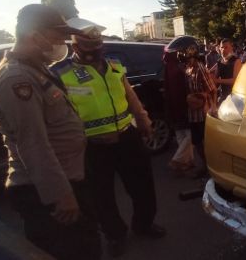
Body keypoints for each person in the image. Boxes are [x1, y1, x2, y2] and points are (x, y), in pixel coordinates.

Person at [0, 4, 101, 260]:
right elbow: (33, 144)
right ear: (35, 36)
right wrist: (60, 195)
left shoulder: (35, 69)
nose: (63, 42)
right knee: (72, 251)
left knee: (87, 246)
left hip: (67, 177)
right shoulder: (17, 79)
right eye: (57, 35)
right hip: (46, 193)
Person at [51, 19, 164, 257]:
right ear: (75, 45)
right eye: (88, 48)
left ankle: (143, 224)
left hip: (126, 137)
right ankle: (115, 234)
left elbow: (130, 95)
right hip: (91, 145)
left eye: (98, 48)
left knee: (143, 187)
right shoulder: (61, 74)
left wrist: (143, 120)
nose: (94, 53)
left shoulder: (114, 64)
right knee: (101, 197)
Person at [182, 42, 217, 177]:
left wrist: (211, 105)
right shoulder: (187, 70)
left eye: (188, 59)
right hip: (192, 113)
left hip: (203, 112)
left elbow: (212, 89)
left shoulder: (200, 68)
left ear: (193, 57)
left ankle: (211, 167)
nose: (187, 62)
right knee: (196, 141)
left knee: (206, 141)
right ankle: (205, 165)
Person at [163, 43, 194, 173]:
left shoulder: (167, 67)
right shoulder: (179, 68)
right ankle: (178, 160)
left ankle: (188, 162)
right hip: (183, 103)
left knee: (180, 133)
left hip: (172, 104)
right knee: (190, 134)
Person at [213, 38, 242, 104]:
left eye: (226, 47)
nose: (223, 50)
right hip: (223, 96)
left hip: (235, 97)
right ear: (219, 49)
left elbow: (235, 80)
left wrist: (218, 80)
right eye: (222, 47)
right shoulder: (219, 62)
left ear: (231, 48)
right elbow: (215, 80)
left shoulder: (236, 61)